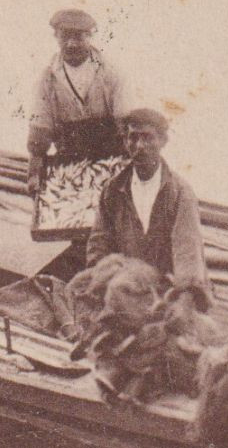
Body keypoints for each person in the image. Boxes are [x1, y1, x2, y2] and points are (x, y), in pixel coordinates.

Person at [86, 108, 211, 310]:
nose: (140, 146)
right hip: (125, 286)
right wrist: (100, 278)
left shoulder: (180, 192)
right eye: (133, 138)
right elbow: (99, 244)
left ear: (162, 141)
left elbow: (187, 249)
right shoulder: (113, 190)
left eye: (148, 138)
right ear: (125, 142)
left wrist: (186, 294)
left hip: (167, 287)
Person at [25, 8, 131, 192]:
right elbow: (39, 133)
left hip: (109, 161)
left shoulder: (110, 74)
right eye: (65, 37)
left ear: (90, 36)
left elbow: (126, 124)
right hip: (68, 164)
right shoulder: (47, 79)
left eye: (78, 37)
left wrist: (129, 167)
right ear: (56, 37)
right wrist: (34, 174)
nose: (71, 44)